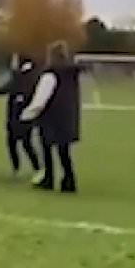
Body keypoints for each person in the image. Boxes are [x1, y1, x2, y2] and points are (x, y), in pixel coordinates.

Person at [21, 41, 82, 193]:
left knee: (47, 149)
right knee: (63, 151)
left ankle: (49, 179)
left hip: (51, 118)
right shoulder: (70, 75)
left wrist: (27, 114)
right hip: (68, 117)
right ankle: (69, 180)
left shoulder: (50, 74)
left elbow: (41, 99)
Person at [0, 54, 41, 176]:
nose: (12, 63)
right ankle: (21, 168)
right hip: (15, 115)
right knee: (14, 143)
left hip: (23, 115)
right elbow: (5, 88)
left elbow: (22, 91)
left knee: (24, 143)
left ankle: (34, 168)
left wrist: (21, 98)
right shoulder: (20, 75)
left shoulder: (28, 76)